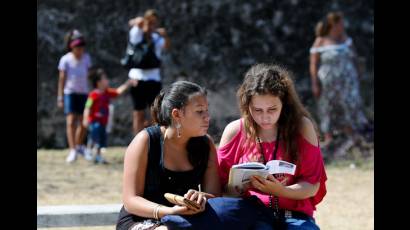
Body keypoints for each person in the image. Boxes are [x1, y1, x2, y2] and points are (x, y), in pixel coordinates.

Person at [217, 63, 327, 229]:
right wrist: (240, 187)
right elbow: (220, 188)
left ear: (284, 104)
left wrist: (280, 191)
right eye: (257, 110)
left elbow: (312, 185)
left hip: (295, 217)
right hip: (251, 215)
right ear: (247, 106)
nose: (265, 117)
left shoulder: (302, 127)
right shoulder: (235, 131)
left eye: (272, 109)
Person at [116, 81, 221, 230]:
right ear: (177, 114)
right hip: (142, 219)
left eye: (206, 110)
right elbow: (131, 200)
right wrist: (169, 212)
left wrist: (201, 198)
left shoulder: (206, 144)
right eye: (199, 111)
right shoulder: (145, 141)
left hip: (185, 219)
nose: (207, 117)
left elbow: (215, 196)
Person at [309, 11, 369, 156]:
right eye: (340, 23)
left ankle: (354, 137)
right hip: (329, 85)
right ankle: (329, 138)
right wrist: (315, 84)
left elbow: (354, 58)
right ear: (333, 25)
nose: (343, 26)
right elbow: (313, 64)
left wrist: (359, 73)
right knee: (328, 108)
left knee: (350, 106)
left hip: (348, 84)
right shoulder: (320, 41)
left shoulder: (346, 39)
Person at [127, 9, 171, 135]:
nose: (152, 25)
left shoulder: (157, 37)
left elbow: (166, 46)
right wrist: (141, 23)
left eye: (154, 23)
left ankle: (155, 139)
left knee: (155, 111)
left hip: (154, 78)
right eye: (150, 22)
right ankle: (137, 140)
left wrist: (164, 35)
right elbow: (134, 23)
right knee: (138, 112)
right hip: (137, 78)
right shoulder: (137, 34)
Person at [83, 67, 131, 164]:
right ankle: (89, 150)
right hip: (94, 122)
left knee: (102, 139)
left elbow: (118, 92)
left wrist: (128, 84)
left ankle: (98, 156)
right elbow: (87, 107)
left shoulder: (107, 93)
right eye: (105, 78)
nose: (107, 80)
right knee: (94, 136)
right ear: (98, 82)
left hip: (103, 123)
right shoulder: (93, 95)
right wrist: (85, 119)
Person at [57, 29, 92, 163]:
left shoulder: (87, 58)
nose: (80, 50)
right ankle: (72, 150)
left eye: (82, 47)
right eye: (78, 47)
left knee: (84, 121)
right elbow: (61, 79)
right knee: (71, 121)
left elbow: (89, 77)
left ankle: (78, 145)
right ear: (72, 47)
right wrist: (60, 97)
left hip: (84, 94)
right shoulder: (65, 60)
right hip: (70, 93)